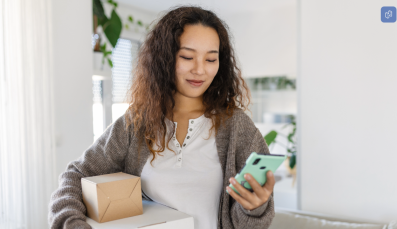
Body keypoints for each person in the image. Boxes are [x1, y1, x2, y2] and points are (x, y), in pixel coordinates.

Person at [48, 5, 275, 229]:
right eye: (187, 56)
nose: (200, 70)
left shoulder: (236, 126)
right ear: (165, 58)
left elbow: (249, 223)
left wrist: (254, 207)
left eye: (210, 59)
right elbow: (76, 176)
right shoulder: (136, 123)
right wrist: (71, 224)